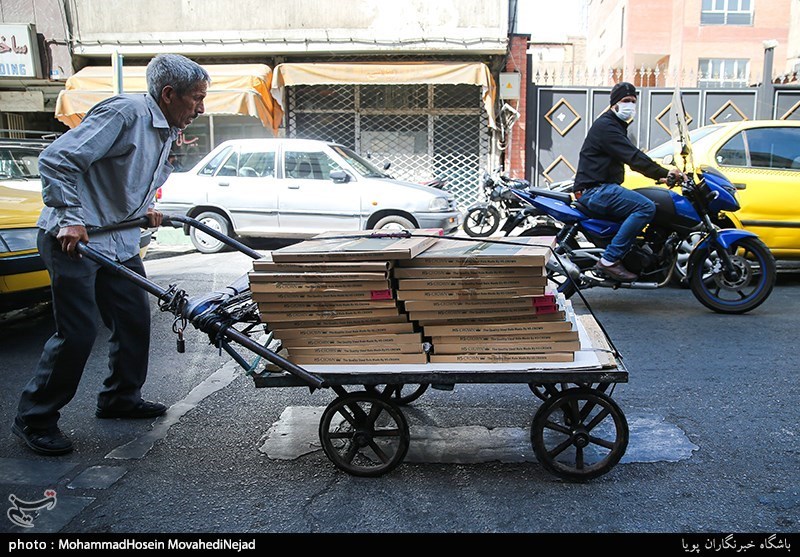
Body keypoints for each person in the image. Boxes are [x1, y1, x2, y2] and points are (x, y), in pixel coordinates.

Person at [12, 54, 209, 456]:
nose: (201, 109)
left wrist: (144, 209)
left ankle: (120, 397)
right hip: (75, 241)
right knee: (79, 331)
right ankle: (35, 418)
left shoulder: (166, 128)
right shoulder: (125, 113)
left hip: (116, 241)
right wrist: (69, 217)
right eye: (196, 99)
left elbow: (122, 178)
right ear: (169, 94)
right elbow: (57, 159)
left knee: (135, 319)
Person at [573, 81, 684, 282]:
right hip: (595, 190)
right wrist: (662, 173)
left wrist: (661, 173)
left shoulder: (615, 125)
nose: (630, 105)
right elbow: (633, 157)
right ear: (614, 103)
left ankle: (634, 255)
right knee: (645, 207)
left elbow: (633, 157)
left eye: (633, 101)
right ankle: (609, 260)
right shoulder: (607, 126)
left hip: (602, 188)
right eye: (625, 101)